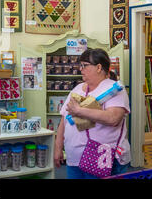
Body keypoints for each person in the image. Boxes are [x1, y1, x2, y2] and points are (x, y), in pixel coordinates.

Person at [54, 48, 131, 179]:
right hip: (74, 158)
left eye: (84, 65)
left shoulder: (114, 89)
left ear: (99, 67)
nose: (80, 69)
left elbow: (113, 118)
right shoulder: (78, 88)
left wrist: (79, 111)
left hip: (101, 156)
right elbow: (64, 120)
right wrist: (58, 147)